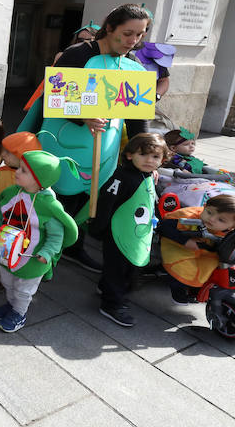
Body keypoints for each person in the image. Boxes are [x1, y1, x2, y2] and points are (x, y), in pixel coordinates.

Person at [19, 3, 152, 273]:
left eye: (140, 35)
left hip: (105, 149)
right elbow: (52, 98)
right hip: (63, 144)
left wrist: (147, 150)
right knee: (56, 197)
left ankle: (73, 248)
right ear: (110, 28)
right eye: (128, 33)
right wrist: (82, 116)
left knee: (86, 201)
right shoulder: (77, 54)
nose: (133, 41)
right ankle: (35, 248)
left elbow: (138, 113)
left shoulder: (132, 64)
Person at [0, 150, 77, 332]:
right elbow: (0, 215)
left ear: (40, 180)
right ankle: (11, 305)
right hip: (6, 251)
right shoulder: (11, 193)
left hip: (32, 259)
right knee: (7, 282)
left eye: (23, 170)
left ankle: (19, 314)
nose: (17, 172)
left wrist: (47, 253)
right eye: (19, 168)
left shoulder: (48, 206)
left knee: (23, 289)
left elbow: (56, 235)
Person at [93, 133, 169, 327]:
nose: (149, 160)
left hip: (137, 233)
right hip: (118, 233)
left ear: (162, 160)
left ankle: (108, 288)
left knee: (130, 266)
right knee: (117, 268)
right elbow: (106, 203)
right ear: (129, 155)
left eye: (155, 157)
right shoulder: (122, 178)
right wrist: (99, 227)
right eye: (143, 155)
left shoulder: (148, 175)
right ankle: (112, 304)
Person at [157, 194, 235, 305]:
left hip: (206, 249)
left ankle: (200, 287)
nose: (211, 219)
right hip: (178, 244)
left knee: (214, 266)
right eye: (209, 212)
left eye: (221, 220)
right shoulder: (189, 217)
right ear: (205, 206)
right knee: (181, 267)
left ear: (234, 226)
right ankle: (178, 290)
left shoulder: (234, 230)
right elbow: (164, 227)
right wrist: (185, 241)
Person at [0, 132, 42, 292]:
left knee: (9, 249)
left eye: (9, 152)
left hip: (15, 223)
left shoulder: (33, 179)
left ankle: (3, 276)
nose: (3, 154)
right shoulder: (2, 171)